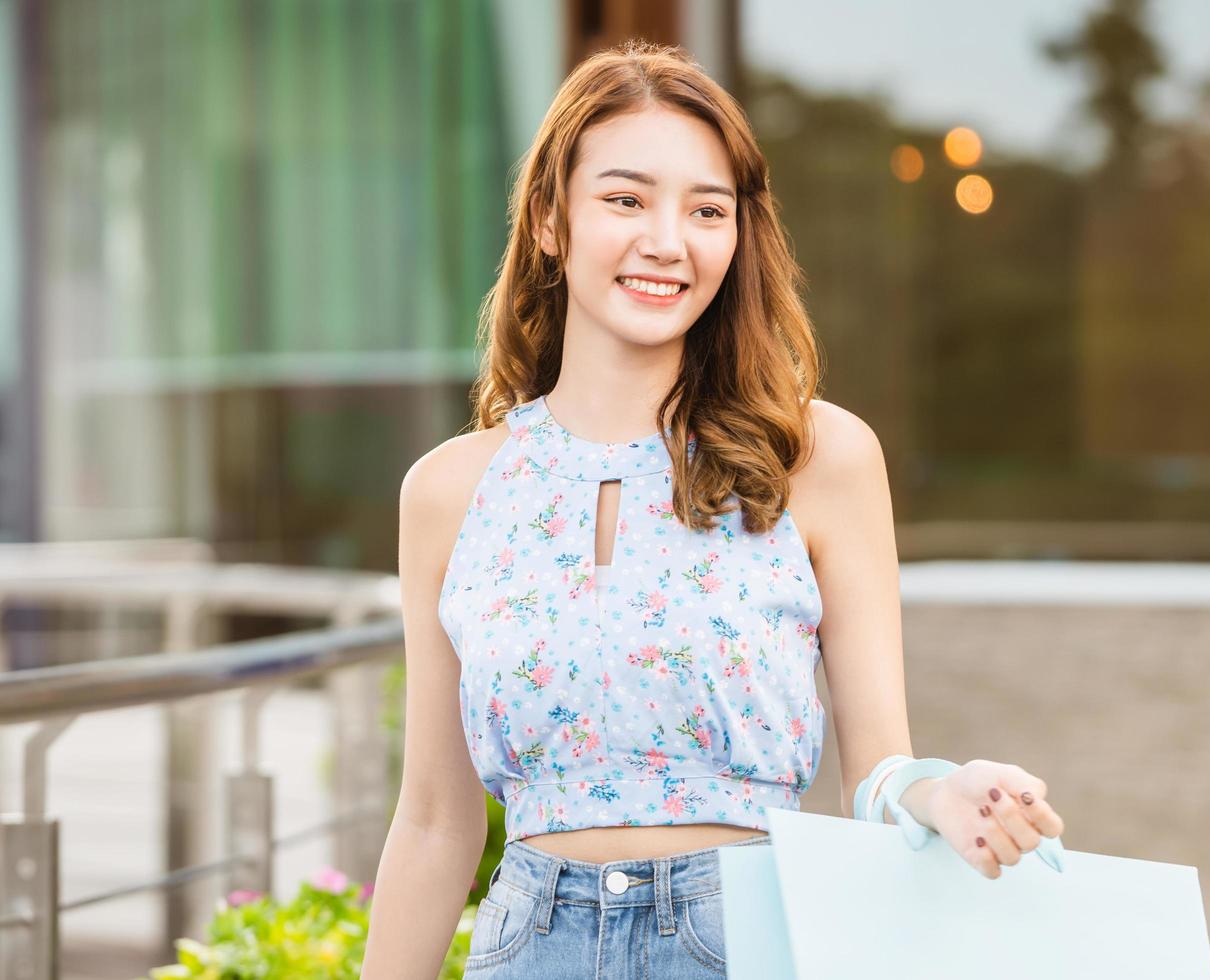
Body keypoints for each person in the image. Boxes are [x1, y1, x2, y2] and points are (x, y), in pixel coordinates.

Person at [360, 40, 1065, 978]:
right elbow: (436, 821)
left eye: (706, 210)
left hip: (745, 938)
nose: (668, 241)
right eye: (624, 199)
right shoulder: (450, 491)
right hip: (529, 946)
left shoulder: (818, 458)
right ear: (548, 221)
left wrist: (945, 794)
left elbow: (879, 771)